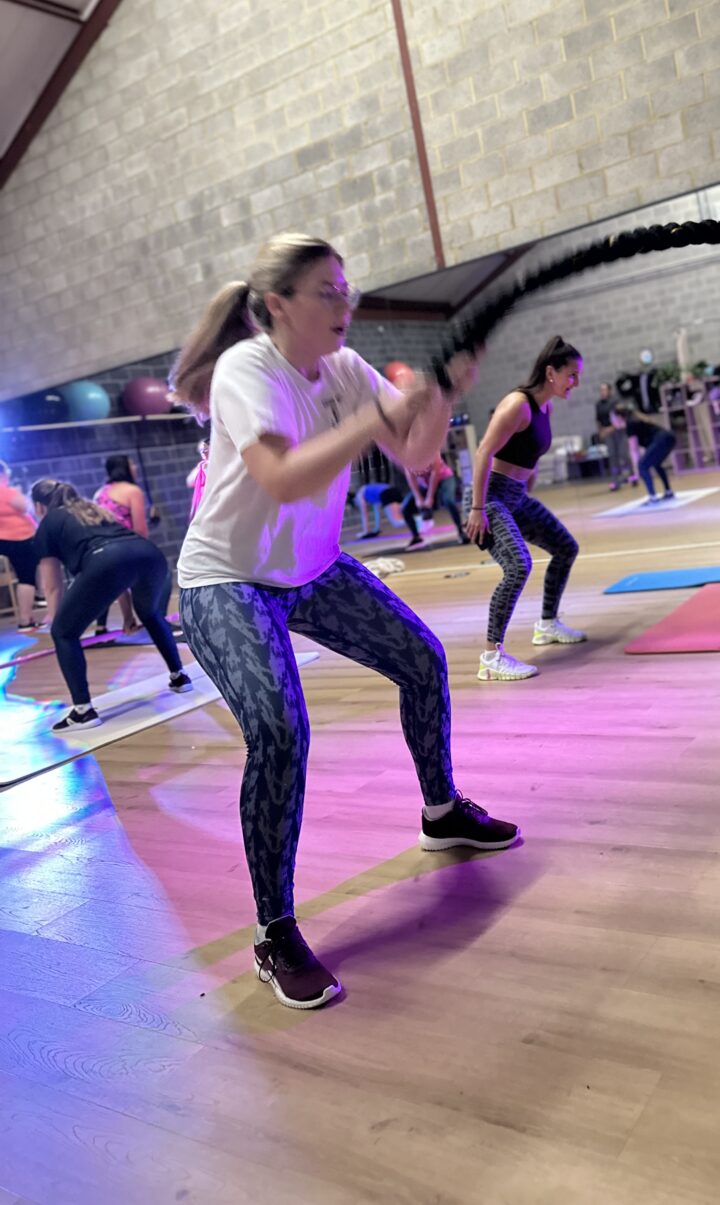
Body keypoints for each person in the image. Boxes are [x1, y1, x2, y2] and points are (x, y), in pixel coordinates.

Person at [169, 232, 519, 1011]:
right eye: (327, 290)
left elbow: (417, 453)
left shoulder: (347, 366)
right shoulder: (247, 370)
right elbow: (283, 478)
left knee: (422, 660)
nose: (345, 302)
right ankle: (274, 932)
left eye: (346, 287)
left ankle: (441, 812)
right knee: (279, 731)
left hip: (313, 567)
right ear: (277, 305)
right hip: (228, 580)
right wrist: (373, 417)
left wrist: (443, 394)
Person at [464, 335, 586, 683]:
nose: (576, 382)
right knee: (518, 566)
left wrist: (525, 491)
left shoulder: (546, 408)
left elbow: (529, 455)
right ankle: (491, 657)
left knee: (565, 547)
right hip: (490, 498)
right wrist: (477, 508)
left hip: (515, 497)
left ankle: (547, 624)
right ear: (551, 372)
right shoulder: (517, 405)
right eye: (572, 375)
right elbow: (483, 453)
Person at [30, 479, 190, 731]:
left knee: (63, 633)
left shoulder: (49, 522)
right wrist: (128, 616)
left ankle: (83, 711)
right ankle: (180, 677)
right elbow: (120, 563)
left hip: (107, 562)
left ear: (39, 506)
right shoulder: (94, 511)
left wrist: (57, 622)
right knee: (150, 614)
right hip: (149, 555)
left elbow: (52, 585)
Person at [92, 454, 148, 637]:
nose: (135, 467)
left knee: (120, 582)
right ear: (124, 468)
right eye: (132, 464)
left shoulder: (99, 493)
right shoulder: (132, 491)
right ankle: (152, 619)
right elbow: (140, 529)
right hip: (128, 545)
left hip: (105, 547)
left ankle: (128, 620)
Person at [0, 460, 40, 631]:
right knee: (26, 578)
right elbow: (28, 507)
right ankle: (25, 619)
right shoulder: (8, 493)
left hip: (3, 540)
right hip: (19, 538)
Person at [403, 454, 470, 549]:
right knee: (405, 507)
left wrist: (430, 497)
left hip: (444, 477)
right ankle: (416, 537)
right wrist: (418, 498)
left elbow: (435, 473)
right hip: (425, 482)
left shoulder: (431, 449)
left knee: (448, 501)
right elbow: (410, 477)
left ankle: (461, 532)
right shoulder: (406, 455)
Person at [614, 404, 676, 505]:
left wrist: (637, 469)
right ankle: (668, 492)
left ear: (619, 417)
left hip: (661, 439)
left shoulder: (630, 424)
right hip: (669, 437)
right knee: (656, 463)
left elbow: (633, 449)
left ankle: (653, 497)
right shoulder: (635, 419)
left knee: (642, 465)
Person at [595, 382, 633, 490]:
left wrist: (611, 428)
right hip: (607, 433)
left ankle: (632, 475)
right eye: (601, 390)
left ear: (609, 391)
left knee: (623, 455)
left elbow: (620, 418)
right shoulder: (598, 405)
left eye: (604, 390)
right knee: (613, 457)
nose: (602, 392)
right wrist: (601, 432)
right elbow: (598, 420)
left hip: (618, 431)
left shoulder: (615, 402)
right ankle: (616, 481)